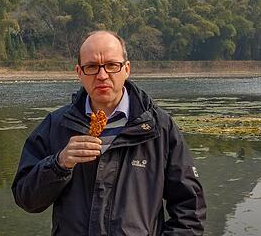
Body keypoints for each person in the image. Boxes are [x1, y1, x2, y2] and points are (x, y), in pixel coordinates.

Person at [12, 30, 206, 235]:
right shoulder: (57, 125)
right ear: (79, 72)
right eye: (92, 67)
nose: (102, 75)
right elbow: (26, 199)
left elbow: (190, 209)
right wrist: (59, 164)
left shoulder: (158, 128)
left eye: (112, 65)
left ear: (127, 69)